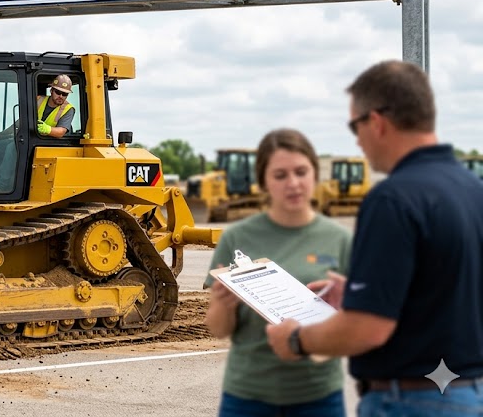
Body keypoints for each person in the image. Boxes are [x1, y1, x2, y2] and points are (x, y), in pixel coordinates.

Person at [265, 60, 483, 415]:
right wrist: (360, 292)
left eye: (355, 125)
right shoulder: (471, 189)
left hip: (411, 401)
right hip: (468, 393)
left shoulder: (392, 199)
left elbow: (367, 329)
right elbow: (445, 290)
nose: (357, 140)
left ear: (377, 122)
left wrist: (294, 339)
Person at [204, 128, 352, 416]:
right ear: (263, 181)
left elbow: (362, 325)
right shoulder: (236, 238)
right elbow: (217, 329)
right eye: (280, 175)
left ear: (314, 174)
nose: (293, 183)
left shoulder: (340, 239)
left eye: (301, 171)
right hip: (247, 396)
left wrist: (346, 303)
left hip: (318, 396)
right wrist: (224, 304)